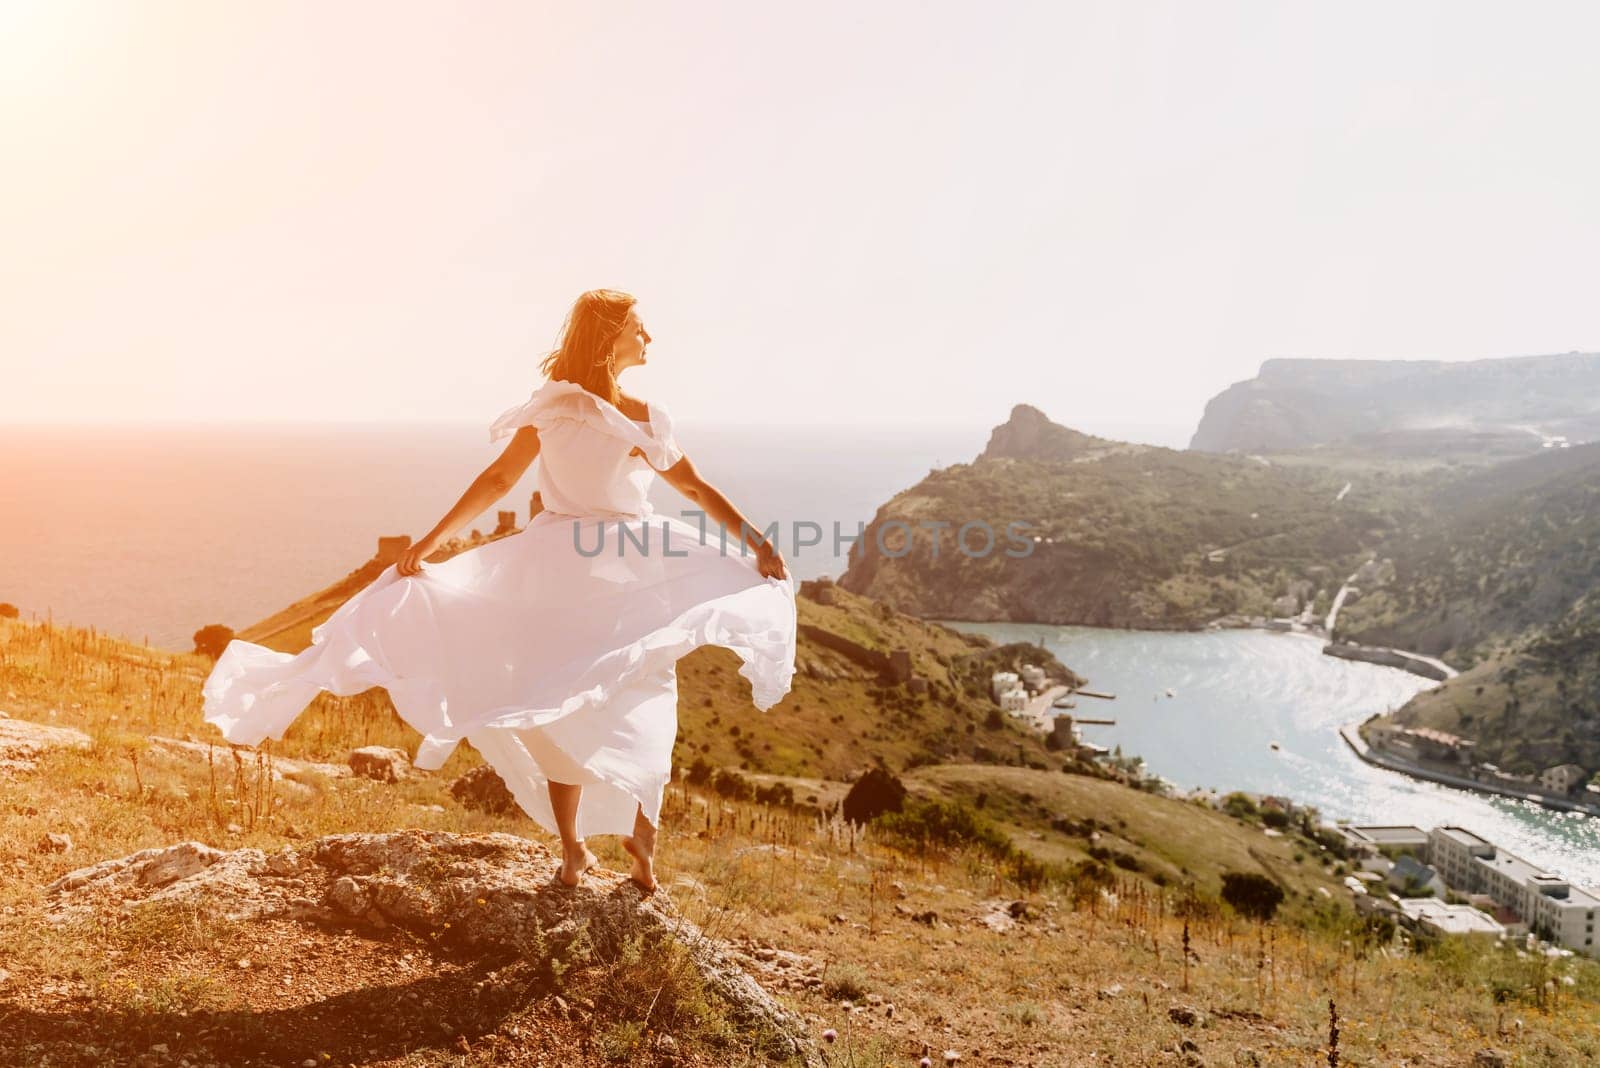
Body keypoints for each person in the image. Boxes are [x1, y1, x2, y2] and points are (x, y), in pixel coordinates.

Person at [201, 288, 796, 895]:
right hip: (623, 571)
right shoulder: (641, 418)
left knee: (556, 698)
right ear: (611, 337)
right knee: (641, 688)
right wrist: (756, 543)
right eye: (640, 329)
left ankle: (574, 853)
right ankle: (641, 847)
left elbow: (497, 480)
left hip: (553, 571)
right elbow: (693, 488)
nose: (649, 339)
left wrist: (431, 542)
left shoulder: (552, 410)